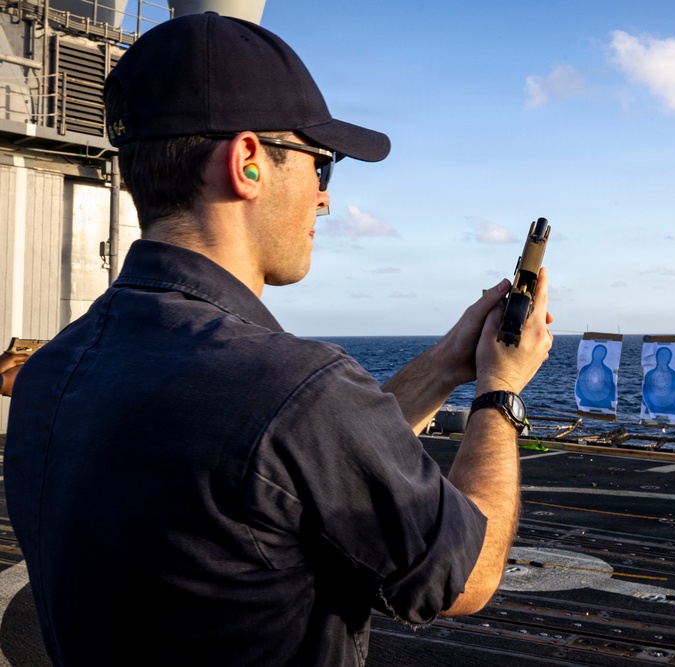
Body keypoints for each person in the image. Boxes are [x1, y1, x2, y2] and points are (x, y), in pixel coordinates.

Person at [4, 12, 552, 667]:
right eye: (323, 165)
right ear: (248, 163)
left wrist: (443, 366)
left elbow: (295, 465)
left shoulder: (48, 375)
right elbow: (469, 571)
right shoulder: (297, 391)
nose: (323, 199)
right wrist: (500, 391)